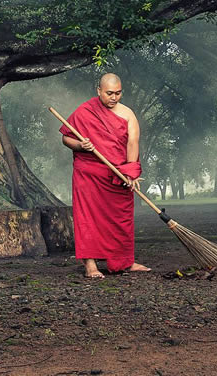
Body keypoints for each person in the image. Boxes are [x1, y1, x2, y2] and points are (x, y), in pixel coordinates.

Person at [60, 73, 151, 278]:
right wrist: (80, 145)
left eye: (118, 93)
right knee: (87, 218)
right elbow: (66, 138)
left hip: (117, 174)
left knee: (122, 218)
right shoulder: (85, 111)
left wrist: (131, 172)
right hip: (88, 173)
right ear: (98, 90)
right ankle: (90, 266)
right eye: (109, 93)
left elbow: (132, 143)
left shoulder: (128, 114)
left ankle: (124, 262)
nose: (114, 97)